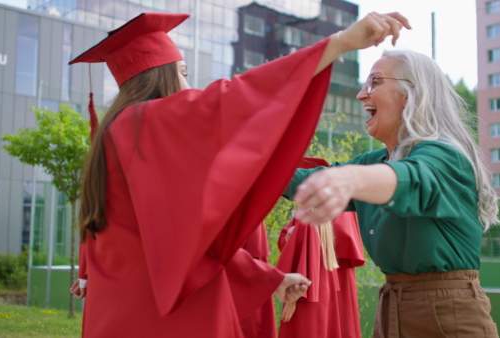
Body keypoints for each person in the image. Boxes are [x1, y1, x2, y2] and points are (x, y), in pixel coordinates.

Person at [68, 10, 411, 337]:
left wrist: (268, 279)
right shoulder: (145, 122)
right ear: (159, 77)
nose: (190, 87)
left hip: (120, 311)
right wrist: (339, 43)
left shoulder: (115, 139)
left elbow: (175, 243)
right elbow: (232, 99)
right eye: (183, 72)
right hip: (165, 319)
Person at [284, 49, 500, 337]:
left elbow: (411, 178)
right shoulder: (373, 162)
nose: (362, 95)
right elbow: (303, 182)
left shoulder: (445, 155)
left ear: (410, 95)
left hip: (449, 317)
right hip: (391, 311)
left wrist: (349, 178)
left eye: (374, 82)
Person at [276, 157, 365, 338]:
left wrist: (292, 298)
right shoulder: (345, 212)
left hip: (309, 293)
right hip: (337, 290)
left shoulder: (309, 215)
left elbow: (303, 255)